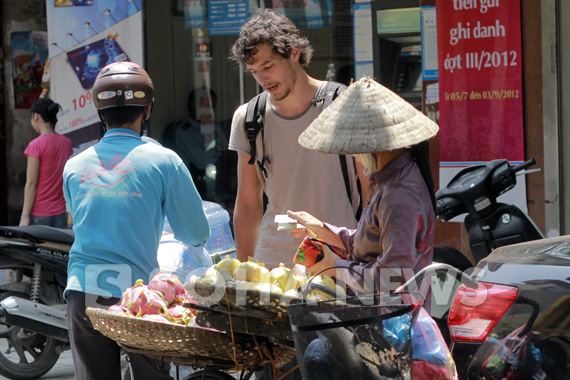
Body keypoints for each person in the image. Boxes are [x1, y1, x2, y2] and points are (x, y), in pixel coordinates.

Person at [62, 61, 210, 380]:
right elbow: (195, 231)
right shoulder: (164, 160)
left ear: (101, 114)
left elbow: (81, 220)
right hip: (137, 297)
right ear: (147, 110)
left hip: (84, 292)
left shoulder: (73, 167)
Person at [228, 8, 368, 270]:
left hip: (335, 258)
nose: (263, 78)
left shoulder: (344, 104)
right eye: (254, 71)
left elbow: (371, 190)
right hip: (271, 261)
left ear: (294, 52)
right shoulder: (248, 117)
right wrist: (242, 271)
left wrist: (369, 257)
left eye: (268, 66)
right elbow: (248, 204)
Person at [287, 76, 439, 302]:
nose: (353, 156)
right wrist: (321, 229)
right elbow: (368, 242)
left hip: (393, 321)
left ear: (371, 146)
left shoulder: (399, 194)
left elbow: (394, 277)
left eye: (354, 149)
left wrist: (336, 268)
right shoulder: (388, 178)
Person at [163, 87, 227, 199]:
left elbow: (227, 155)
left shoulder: (216, 128)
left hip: (220, 183)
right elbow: (203, 162)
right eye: (206, 106)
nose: (210, 110)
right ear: (194, 106)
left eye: (212, 106)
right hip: (196, 186)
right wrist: (219, 157)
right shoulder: (184, 131)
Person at [20, 98, 73, 227]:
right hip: (61, 212)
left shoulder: (35, 145)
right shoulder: (66, 143)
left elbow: (32, 184)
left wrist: (25, 215)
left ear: (36, 117)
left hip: (39, 214)